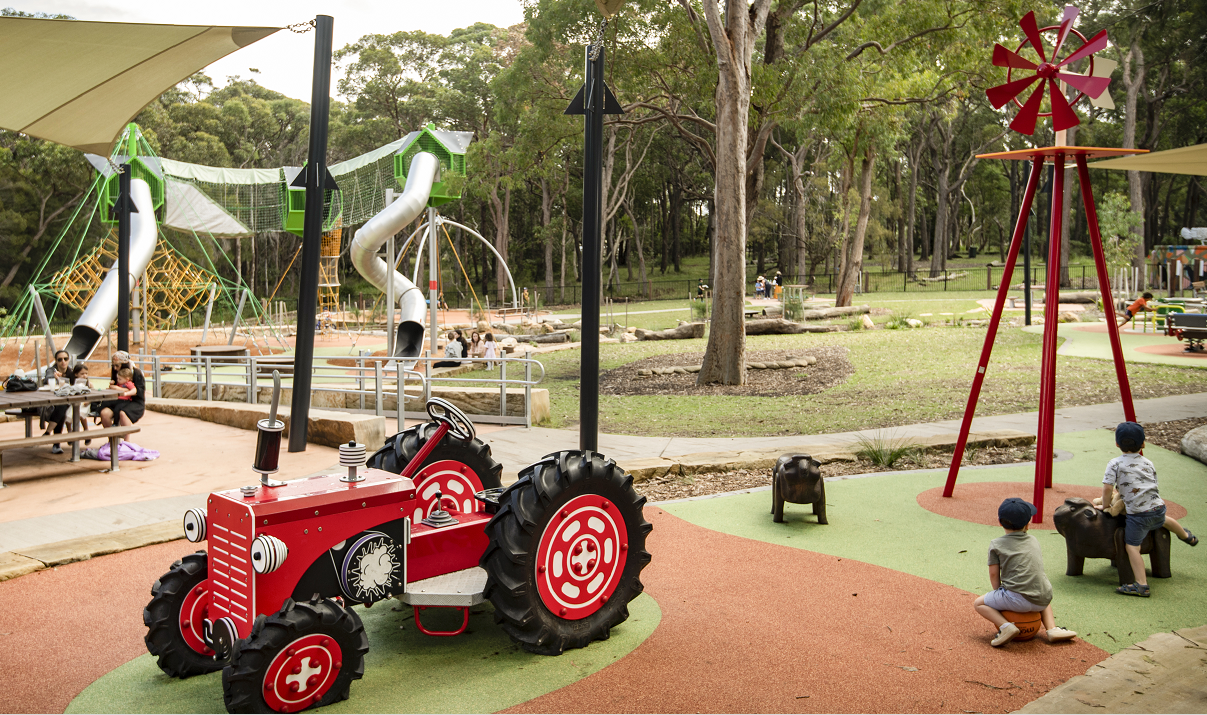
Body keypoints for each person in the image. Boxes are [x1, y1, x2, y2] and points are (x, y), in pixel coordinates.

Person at [1103, 422, 1198, 597]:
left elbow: (1108, 488)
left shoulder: (1115, 463)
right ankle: (1187, 536)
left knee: (1132, 547)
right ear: (1143, 444)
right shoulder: (1148, 462)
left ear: (1117, 444)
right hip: (1158, 507)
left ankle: (1141, 584)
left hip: (1138, 516)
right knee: (1164, 520)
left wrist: (1106, 505)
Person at [973, 497, 1077, 646]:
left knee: (978, 604)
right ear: (1027, 525)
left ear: (999, 521)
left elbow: (994, 574)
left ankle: (1006, 627)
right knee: (1039, 591)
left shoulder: (996, 545)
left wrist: (998, 593)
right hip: (1043, 596)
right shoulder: (1033, 540)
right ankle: (1052, 629)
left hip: (1016, 598)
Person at [99, 350, 145, 436]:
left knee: (123, 413)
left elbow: (137, 392)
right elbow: (116, 387)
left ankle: (126, 441)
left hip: (134, 401)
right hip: (118, 400)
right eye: (113, 366)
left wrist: (119, 389)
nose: (115, 368)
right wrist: (113, 387)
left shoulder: (136, 373)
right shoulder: (116, 372)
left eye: (117, 365)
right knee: (104, 413)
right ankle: (112, 440)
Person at [41, 350, 75, 454]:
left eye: (65, 359)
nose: (63, 362)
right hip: (51, 402)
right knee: (61, 408)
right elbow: (48, 379)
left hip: (70, 402)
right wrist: (56, 378)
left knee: (62, 407)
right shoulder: (52, 370)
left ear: (68, 360)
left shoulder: (71, 372)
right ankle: (57, 442)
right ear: (56, 361)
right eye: (60, 360)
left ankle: (49, 434)